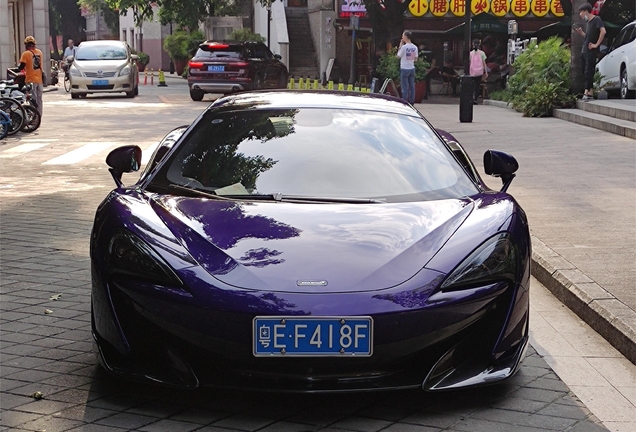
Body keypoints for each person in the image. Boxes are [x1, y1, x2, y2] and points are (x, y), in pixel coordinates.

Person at [575, 3, 606, 101]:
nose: (580, 15)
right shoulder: (588, 23)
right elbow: (588, 38)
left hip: (591, 51)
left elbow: (603, 31)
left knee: (588, 71)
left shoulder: (597, 19)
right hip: (584, 51)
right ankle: (591, 94)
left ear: (585, 11)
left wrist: (596, 44)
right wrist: (581, 33)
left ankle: (586, 93)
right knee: (585, 72)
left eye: (581, 12)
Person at [18, 36, 44, 115]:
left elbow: (21, 67)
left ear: (26, 45)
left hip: (30, 80)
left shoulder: (26, 54)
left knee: (32, 100)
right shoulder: (39, 52)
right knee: (39, 100)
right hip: (39, 80)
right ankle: (39, 116)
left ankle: (34, 117)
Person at [397, 31, 418, 104]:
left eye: (403, 36)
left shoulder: (404, 47)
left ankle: (404, 101)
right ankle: (412, 101)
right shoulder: (415, 47)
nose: (402, 37)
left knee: (405, 86)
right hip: (411, 68)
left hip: (404, 68)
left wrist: (400, 46)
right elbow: (415, 59)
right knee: (412, 86)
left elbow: (398, 56)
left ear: (405, 37)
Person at [469, 39, 488, 105]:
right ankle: (475, 99)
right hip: (479, 71)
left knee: (471, 85)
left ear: (472, 45)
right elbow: (484, 63)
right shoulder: (482, 53)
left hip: (472, 72)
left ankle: (471, 97)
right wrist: (486, 72)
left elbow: (469, 63)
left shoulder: (470, 53)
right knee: (477, 85)